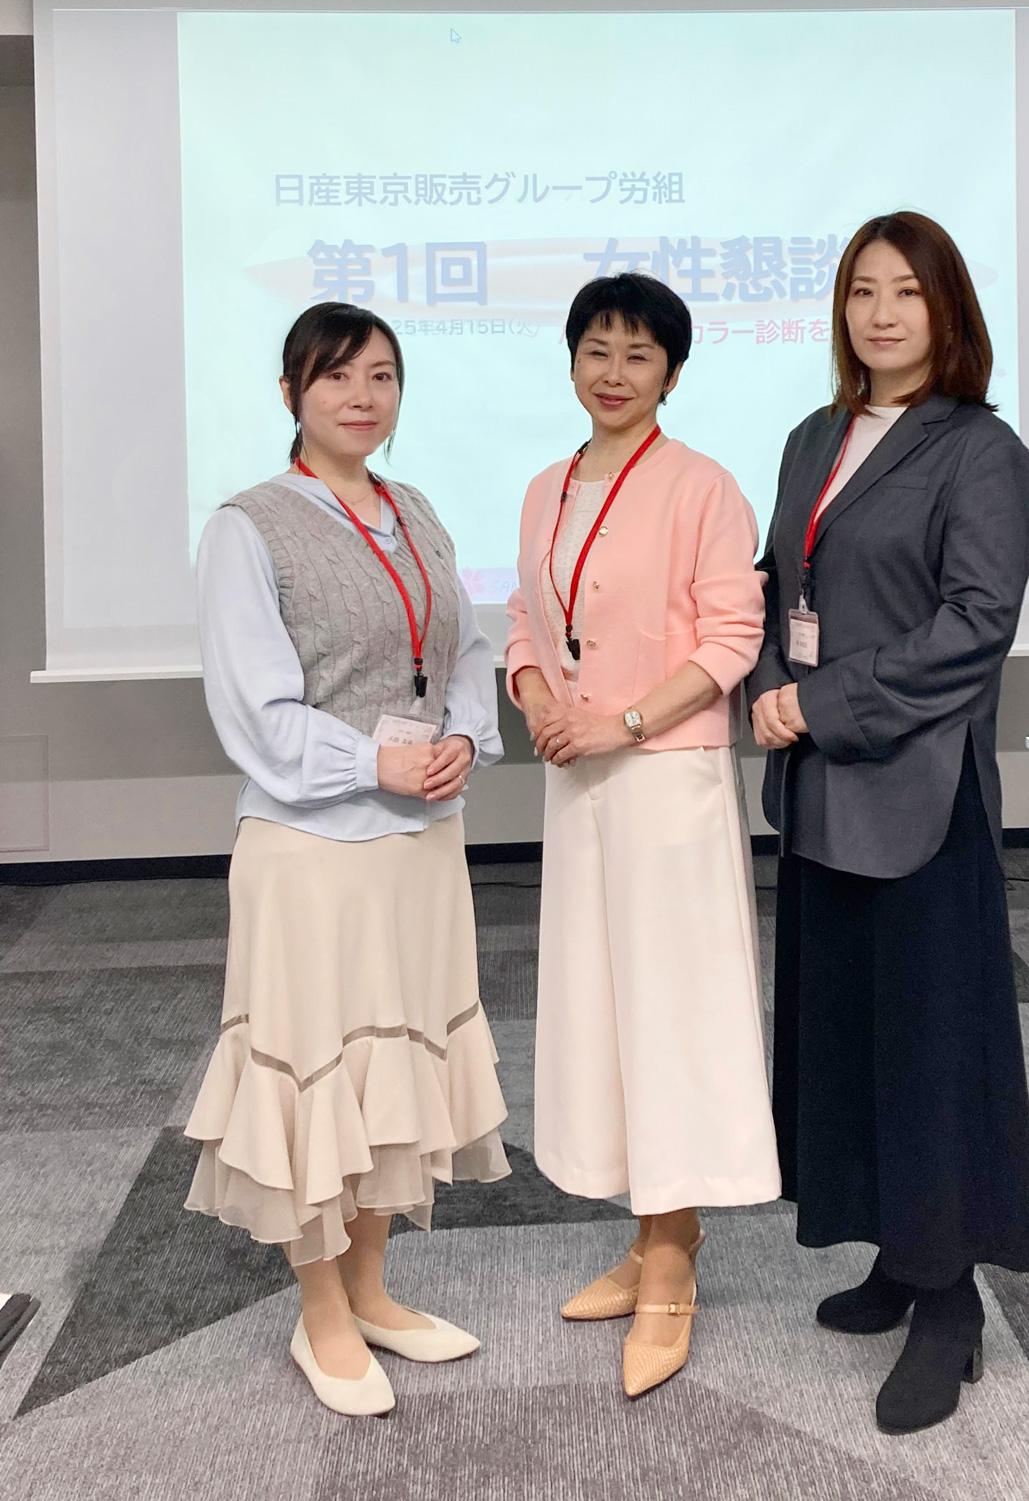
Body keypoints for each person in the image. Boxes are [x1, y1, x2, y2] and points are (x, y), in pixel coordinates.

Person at [749, 211, 1029, 1435]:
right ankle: (895, 1250)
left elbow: (976, 627)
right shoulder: (812, 436)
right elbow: (779, 585)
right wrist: (767, 682)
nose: (880, 313)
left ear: (947, 310)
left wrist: (819, 702)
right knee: (849, 1037)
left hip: (919, 792)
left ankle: (951, 1300)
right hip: (821, 785)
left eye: (907, 293)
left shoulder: (981, 450)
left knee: (932, 1049)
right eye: (862, 290)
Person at [184, 302, 510, 1417]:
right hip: (313, 846)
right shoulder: (248, 526)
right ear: (291, 394)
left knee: (395, 1070)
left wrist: (463, 735)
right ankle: (319, 1307)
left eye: (381, 376)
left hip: (420, 842)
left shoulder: (415, 510)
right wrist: (379, 761)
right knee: (316, 1072)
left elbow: (463, 649)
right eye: (335, 377)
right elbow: (257, 715)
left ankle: (370, 1287)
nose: (361, 397)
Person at [506, 272, 781, 1399]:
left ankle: (672, 1257)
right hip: (579, 782)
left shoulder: (702, 485)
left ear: (672, 370)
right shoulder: (546, 485)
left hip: (665, 779)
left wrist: (617, 723)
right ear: (571, 360)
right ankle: (652, 1225)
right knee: (603, 1012)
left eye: (638, 354)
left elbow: (730, 640)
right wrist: (536, 696)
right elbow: (527, 618)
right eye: (597, 350)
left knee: (672, 1015)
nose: (613, 373)